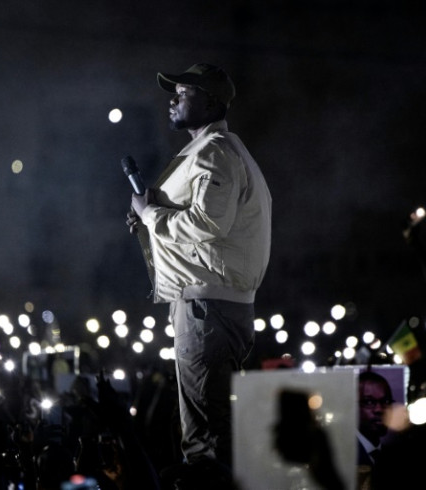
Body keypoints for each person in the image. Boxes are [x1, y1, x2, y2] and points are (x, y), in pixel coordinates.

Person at [126, 63, 272, 488]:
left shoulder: (216, 153)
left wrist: (150, 213)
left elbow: (208, 225)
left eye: (184, 92)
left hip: (208, 310)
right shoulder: (213, 152)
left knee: (205, 442)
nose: (172, 99)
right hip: (210, 307)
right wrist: (152, 220)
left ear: (211, 102)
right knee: (208, 431)